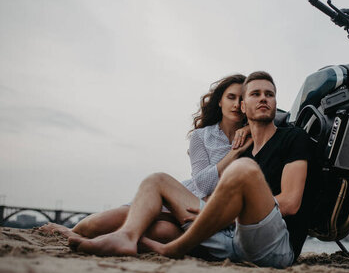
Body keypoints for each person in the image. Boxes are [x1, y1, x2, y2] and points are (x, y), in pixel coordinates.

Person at [69, 71, 313, 268]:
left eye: (269, 94)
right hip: (230, 240)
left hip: (272, 247)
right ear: (243, 104)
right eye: (255, 94)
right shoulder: (243, 147)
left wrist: (221, 215)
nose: (263, 98)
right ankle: (127, 237)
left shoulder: (292, 138)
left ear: (276, 103)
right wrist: (217, 216)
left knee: (243, 169)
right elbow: (207, 186)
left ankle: (174, 248)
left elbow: (291, 203)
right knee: (157, 180)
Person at [39, 74, 252, 256]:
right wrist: (234, 153)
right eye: (230, 97)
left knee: (162, 233)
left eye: (242, 99)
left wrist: (251, 129)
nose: (236, 104)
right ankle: (69, 231)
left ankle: (115, 240)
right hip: (180, 200)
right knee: (95, 225)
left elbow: (276, 117)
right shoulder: (201, 136)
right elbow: (202, 184)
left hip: (204, 214)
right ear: (219, 102)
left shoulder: (256, 135)